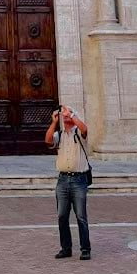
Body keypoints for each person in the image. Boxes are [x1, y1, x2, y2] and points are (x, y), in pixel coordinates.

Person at [45, 103, 91, 260]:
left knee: (81, 216)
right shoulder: (60, 135)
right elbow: (48, 140)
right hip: (63, 180)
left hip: (79, 180)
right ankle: (66, 248)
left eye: (68, 115)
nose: (65, 117)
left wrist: (71, 114)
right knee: (62, 216)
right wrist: (54, 122)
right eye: (64, 115)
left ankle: (85, 249)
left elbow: (85, 129)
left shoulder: (79, 133)